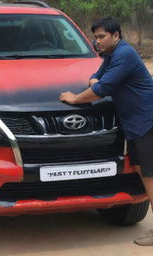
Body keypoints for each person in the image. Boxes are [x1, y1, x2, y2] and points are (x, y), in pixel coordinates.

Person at [59, 16, 153, 246]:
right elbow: (97, 77)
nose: (97, 41)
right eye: (95, 37)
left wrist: (74, 98)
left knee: (151, 176)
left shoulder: (124, 55)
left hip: (147, 121)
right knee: (142, 170)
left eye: (102, 36)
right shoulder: (111, 55)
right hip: (134, 123)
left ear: (116, 36)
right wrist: (96, 83)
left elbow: (101, 89)